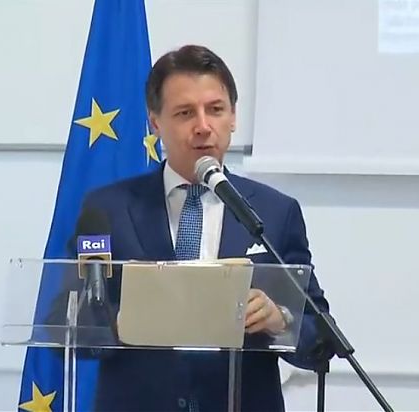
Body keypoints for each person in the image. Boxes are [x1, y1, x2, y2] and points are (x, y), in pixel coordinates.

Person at [75, 45, 331, 412]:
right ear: (155, 122)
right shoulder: (106, 208)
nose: (203, 126)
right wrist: (120, 320)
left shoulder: (275, 212)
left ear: (233, 117)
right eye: (185, 113)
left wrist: (280, 320)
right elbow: (64, 325)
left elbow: (320, 336)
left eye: (215, 109)